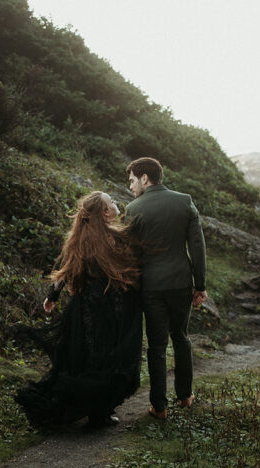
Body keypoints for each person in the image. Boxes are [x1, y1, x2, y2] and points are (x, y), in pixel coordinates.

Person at [15, 191, 142, 429]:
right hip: (108, 310)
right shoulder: (115, 237)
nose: (116, 204)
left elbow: (66, 269)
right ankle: (99, 412)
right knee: (108, 357)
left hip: (87, 309)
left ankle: (97, 411)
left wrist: (52, 296)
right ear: (105, 212)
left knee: (91, 357)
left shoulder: (83, 237)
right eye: (111, 202)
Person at [125, 156, 207, 419]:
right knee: (181, 337)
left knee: (157, 346)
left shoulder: (133, 208)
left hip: (151, 286)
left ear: (144, 178)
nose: (130, 187)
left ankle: (159, 407)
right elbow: (197, 247)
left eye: (132, 181)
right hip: (181, 283)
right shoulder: (184, 201)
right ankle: (185, 396)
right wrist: (200, 285)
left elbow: (131, 255)